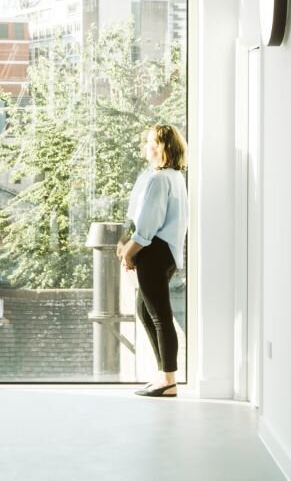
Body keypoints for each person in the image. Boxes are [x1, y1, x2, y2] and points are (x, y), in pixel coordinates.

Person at [119, 123, 189, 397]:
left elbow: (148, 224)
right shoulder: (172, 177)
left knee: (159, 316)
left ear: (161, 147)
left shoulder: (160, 179)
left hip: (155, 252)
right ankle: (163, 376)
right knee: (146, 311)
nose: (146, 145)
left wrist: (129, 251)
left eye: (152, 141)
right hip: (165, 252)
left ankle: (168, 381)